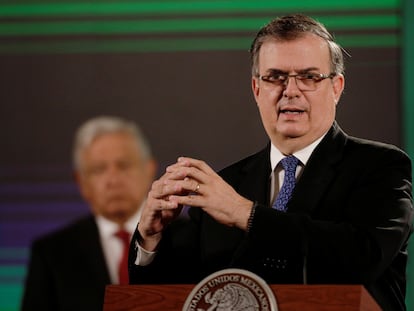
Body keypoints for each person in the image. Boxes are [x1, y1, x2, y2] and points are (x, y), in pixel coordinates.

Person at [129, 14, 413, 310]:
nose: (290, 90)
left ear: (336, 87)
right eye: (275, 77)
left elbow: (361, 258)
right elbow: (180, 297)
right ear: (257, 89)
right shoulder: (225, 187)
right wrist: (150, 240)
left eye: (309, 77)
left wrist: (247, 215)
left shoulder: (381, 167)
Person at [22, 116, 157, 311]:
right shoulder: (52, 254)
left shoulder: (189, 239)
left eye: (124, 165)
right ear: (81, 182)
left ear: (149, 170)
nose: (113, 179)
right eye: (99, 170)